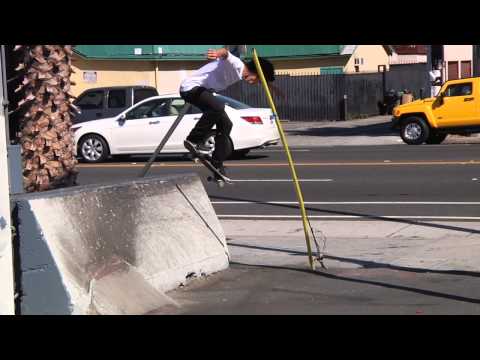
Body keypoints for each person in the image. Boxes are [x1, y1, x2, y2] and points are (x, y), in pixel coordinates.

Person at [180, 47, 278, 179]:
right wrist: (217, 53)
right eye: (258, 81)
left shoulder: (240, 73)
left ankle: (217, 163)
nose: (256, 84)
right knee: (218, 107)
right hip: (190, 88)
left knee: (226, 124)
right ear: (256, 73)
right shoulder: (238, 64)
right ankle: (194, 139)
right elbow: (226, 53)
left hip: (201, 91)